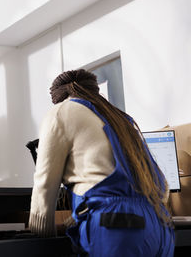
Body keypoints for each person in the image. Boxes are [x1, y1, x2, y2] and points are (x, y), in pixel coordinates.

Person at [28, 69, 174, 256]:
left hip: (119, 227)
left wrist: (39, 239)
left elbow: (45, 184)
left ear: (58, 96)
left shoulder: (62, 110)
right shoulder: (119, 117)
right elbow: (162, 186)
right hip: (159, 225)